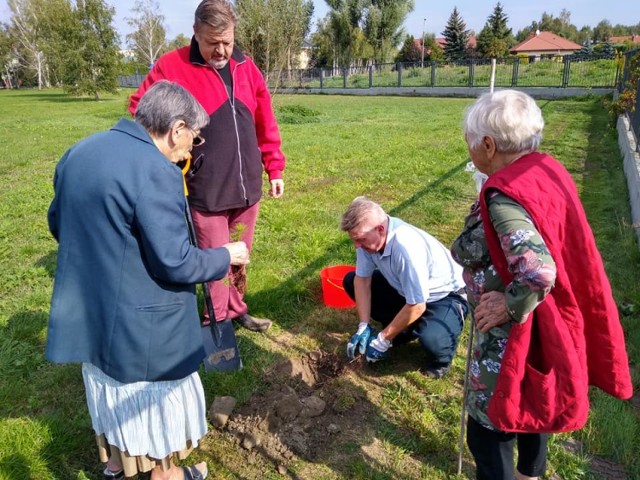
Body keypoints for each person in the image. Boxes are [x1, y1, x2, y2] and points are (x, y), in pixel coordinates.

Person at [46, 80, 249, 480]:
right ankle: (166, 475)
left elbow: (60, 225)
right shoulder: (157, 171)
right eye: (194, 137)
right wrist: (226, 255)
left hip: (91, 308)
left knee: (109, 387)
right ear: (176, 128)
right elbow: (175, 262)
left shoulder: (80, 152)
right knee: (153, 402)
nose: (193, 148)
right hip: (144, 327)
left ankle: (117, 466)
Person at [450, 89, 633, 480]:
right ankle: (530, 475)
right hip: (546, 317)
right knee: (533, 396)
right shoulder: (544, 167)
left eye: (469, 141)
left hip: (513, 328)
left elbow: (538, 272)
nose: (468, 149)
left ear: (488, 143)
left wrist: (508, 303)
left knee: (490, 425)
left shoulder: (505, 198)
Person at [128, 0, 285, 333]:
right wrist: (170, 152)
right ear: (196, 33)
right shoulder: (172, 66)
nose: (222, 50)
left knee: (240, 255)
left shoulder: (246, 65)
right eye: (213, 42)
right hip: (206, 189)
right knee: (215, 261)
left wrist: (275, 167)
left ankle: (238, 309)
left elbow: (265, 120)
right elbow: (140, 108)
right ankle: (214, 320)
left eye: (227, 41)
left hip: (247, 188)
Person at [340, 197, 469, 378]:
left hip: (445, 296)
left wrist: (383, 339)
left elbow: (417, 304)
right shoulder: (368, 241)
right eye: (354, 239)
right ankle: (403, 330)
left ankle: (441, 359)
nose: (356, 245)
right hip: (405, 287)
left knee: (433, 339)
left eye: (360, 239)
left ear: (381, 229)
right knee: (350, 280)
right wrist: (363, 325)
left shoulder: (406, 249)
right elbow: (362, 281)